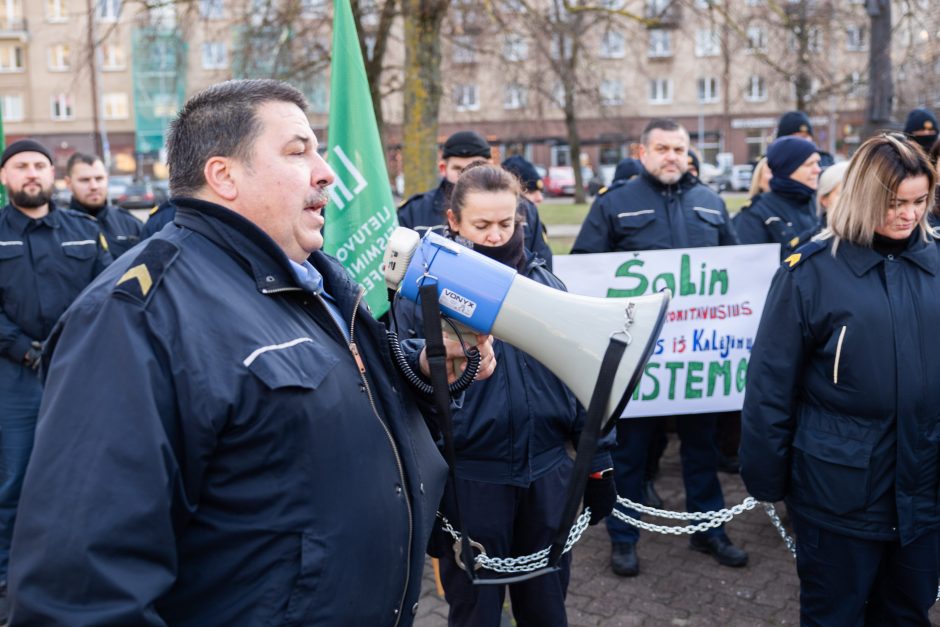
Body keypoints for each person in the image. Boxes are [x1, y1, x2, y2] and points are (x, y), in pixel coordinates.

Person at [7, 79, 495, 626]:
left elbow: (340, 398)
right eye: (297, 151)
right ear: (224, 176)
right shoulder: (135, 317)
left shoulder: (318, 279)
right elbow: (80, 591)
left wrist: (426, 370)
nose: (326, 172)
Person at [395, 163, 615, 626]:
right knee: (475, 612)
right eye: (481, 224)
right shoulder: (423, 295)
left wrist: (598, 463)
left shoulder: (546, 284)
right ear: (453, 221)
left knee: (548, 608)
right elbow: (407, 395)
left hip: (548, 475)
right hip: (472, 480)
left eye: (506, 222)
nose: (496, 235)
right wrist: (427, 495)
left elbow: (581, 383)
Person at [740, 133, 940, 625]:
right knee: (835, 615)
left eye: (919, 202)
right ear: (864, 196)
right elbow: (770, 384)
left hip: (924, 487)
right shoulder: (809, 272)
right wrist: (766, 476)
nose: (908, 215)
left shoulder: (936, 264)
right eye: (895, 203)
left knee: (908, 612)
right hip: (838, 491)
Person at [571, 118, 746, 577]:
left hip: (697, 361)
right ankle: (624, 537)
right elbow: (588, 272)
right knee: (628, 453)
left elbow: (734, 275)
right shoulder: (615, 205)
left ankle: (709, 529)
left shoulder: (711, 203)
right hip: (637, 360)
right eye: (663, 148)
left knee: (702, 449)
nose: (672, 156)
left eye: (680, 148)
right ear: (643, 151)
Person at [0, 139, 112, 620]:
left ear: (53, 175)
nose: (31, 174)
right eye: (21, 166)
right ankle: (9, 577)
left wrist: (74, 347)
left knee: (85, 474)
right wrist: (23, 349)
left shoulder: (84, 231)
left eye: (39, 166)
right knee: (15, 480)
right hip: (14, 378)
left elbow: (108, 292)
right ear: (5, 177)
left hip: (77, 371)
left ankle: (76, 571)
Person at [397, 130, 553, 268]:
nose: (466, 176)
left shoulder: (525, 209)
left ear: (491, 165)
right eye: (481, 225)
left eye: (505, 223)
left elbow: (542, 263)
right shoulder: (412, 210)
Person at [733, 136, 822, 258]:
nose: (817, 170)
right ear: (788, 168)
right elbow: (749, 269)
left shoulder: (818, 204)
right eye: (809, 164)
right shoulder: (755, 214)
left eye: (817, 162)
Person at [65, 152, 143, 258]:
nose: (94, 186)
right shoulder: (57, 230)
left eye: (99, 178)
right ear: (69, 183)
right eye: (85, 180)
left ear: (107, 179)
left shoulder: (130, 224)